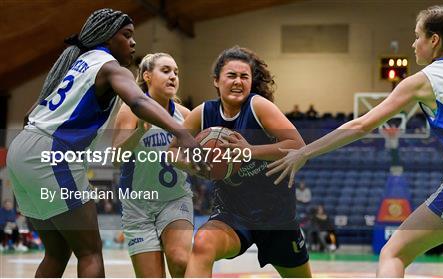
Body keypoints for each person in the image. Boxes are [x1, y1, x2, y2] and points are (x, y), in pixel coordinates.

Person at [267, 6, 443, 277]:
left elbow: (361, 125)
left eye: (417, 36)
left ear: (434, 40)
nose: (413, 43)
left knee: (393, 253)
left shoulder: (424, 80)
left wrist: (305, 152)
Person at [6, 9, 205, 277]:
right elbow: (138, 101)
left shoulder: (75, 64)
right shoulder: (109, 66)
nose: (133, 42)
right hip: (53, 153)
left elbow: (31, 113)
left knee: (57, 252)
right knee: (89, 252)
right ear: (107, 38)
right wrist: (180, 133)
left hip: (20, 149)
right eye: (126, 35)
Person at [183, 46, 312, 277]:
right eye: (231, 75)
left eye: (244, 77)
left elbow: (298, 146)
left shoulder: (258, 106)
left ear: (251, 82)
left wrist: (251, 151)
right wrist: (193, 165)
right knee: (202, 242)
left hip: (276, 217)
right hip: (232, 214)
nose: (238, 82)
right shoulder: (204, 113)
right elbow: (172, 150)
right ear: (216, 80)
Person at [113, 52, 195, 277]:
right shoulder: (129, 110)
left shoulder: (185, 115)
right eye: (166, 71)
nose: (173, 77)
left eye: (176, 73)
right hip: (138, 206)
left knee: (180, 260)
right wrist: (138, 131)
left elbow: (195, 158)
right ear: (147, 76)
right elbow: (115, 159)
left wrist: (193, 162)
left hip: (175, 199)